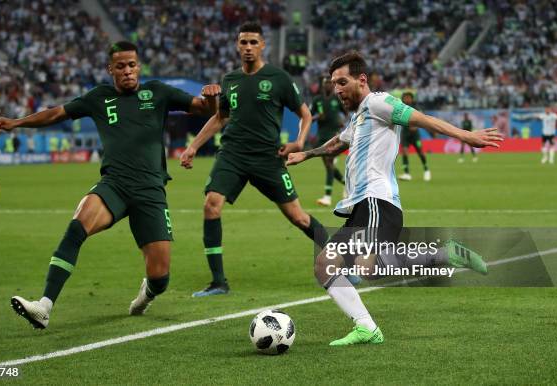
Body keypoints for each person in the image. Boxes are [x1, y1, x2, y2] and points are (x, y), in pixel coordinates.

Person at [0, 41, 220, 329]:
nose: (127, 71)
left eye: (132, 65)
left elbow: (206, 110)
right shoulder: (98, 97)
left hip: (150, 191)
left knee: (160, 278)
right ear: (110, 69)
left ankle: (146, 295)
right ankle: (44, 306)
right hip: (115, 184)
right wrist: (16, 122)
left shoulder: (158, 92)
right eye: (120, 66)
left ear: (139, 66)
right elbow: (56, 113)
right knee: (77, 225)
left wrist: (211, 98)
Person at [286, 52, 503, 346]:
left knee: (330, 263)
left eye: (342, 82)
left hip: (376, 201)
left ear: (361, 80)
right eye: (333, 83)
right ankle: (444, 255)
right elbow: (338, 142)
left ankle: (366, 327)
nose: (336, 89)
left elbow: (422, 119)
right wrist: (306, 154)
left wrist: (467, 136)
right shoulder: (361, 115)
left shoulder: (379, 103)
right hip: (366, 205)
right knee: (362, 268)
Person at [180, 22, 329, 297]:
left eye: (253, 42)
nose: (248, 47)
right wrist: (193, 146)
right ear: (237, 46)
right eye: (243, 42)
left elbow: (306, 115)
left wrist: (299, 141)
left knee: (298, 217)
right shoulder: (230, 79)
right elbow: (220, 117)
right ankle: (218, 282)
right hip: (232, 155)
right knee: (211, 205)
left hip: (267, 158)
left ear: (262, 45)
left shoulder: (279, 78)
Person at [311, 76, 345, 206]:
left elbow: (346, 111)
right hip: (321, 135)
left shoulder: (337, 98)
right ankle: (347, 185)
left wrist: (341, 121)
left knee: (329, 162)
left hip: (334, 134)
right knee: (328, 165)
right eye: (325, 83)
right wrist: (316, 116)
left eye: (330, 83)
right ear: (322, 84)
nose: (328, 85)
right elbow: (309, 116)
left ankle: (327, 196)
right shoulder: (317, 100)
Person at [398, 92, 430, 181]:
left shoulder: (416, 108)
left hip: (415, 135)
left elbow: (422, 119)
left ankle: (426, 169)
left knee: (420, 152)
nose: (407, 99)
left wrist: (415, 126)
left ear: (412, 99)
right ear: (403, 99)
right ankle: (406, 173)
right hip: (405, 133)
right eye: (405, 97)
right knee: (404, 152)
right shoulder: (400, 107)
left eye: (409, 98)